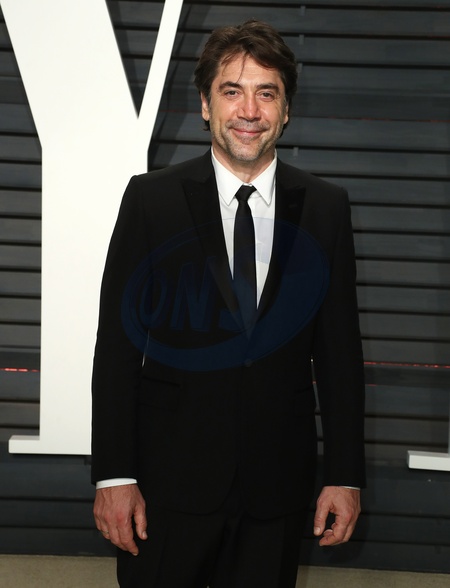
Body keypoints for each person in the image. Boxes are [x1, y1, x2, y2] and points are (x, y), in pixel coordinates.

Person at [91, 19, 365, 588]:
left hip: (276, 489)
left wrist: (345, 475)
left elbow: (340, 355)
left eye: (267, 93)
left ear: (285, 111)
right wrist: (114, 476)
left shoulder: (326, 208)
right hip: (166, 487)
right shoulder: (151, 200)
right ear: (205, 105)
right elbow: (116, 349)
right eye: (232, 91)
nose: (249, 111)